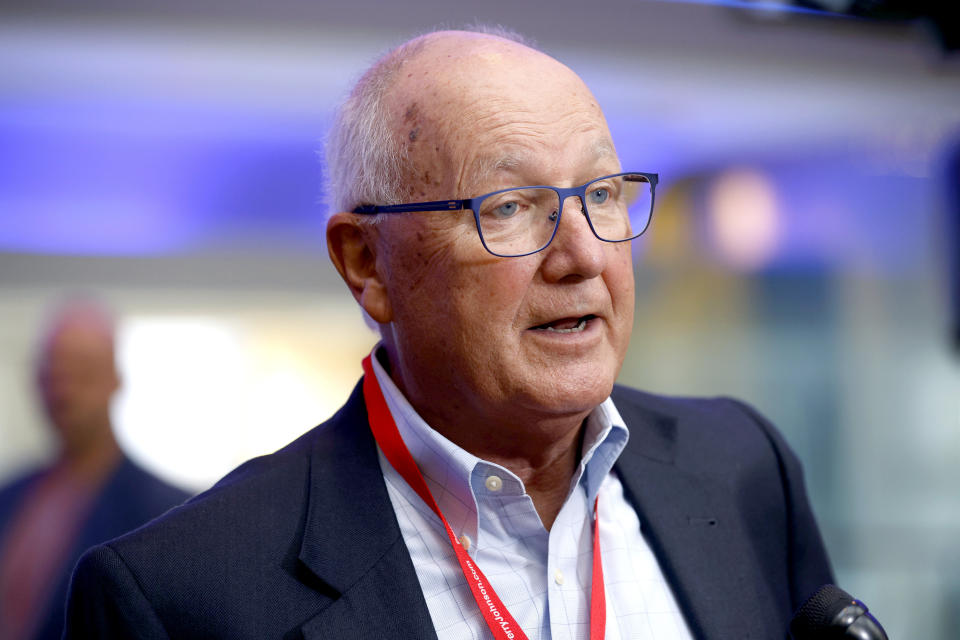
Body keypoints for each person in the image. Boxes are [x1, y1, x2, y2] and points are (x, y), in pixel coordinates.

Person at [63, 29, 832, 639]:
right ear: (366, 264)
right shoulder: (185, 594)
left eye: (600, 194)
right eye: (508, 207)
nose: (585, 255)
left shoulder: (741, 470)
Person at [0, 299, 189, 640]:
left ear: (115, 380)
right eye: (52, 374)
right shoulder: (10, 495)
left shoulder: (167, 515)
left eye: (82, 373)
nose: (63, 391)